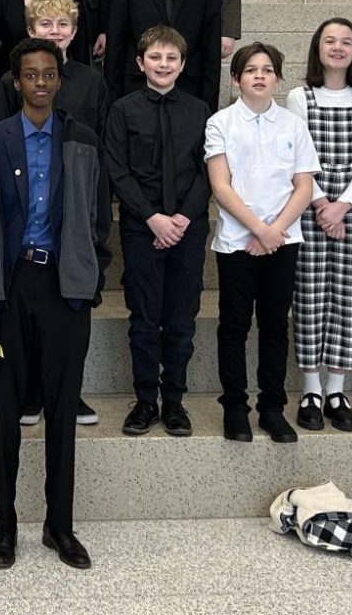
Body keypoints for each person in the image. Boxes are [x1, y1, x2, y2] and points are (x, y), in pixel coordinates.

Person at [0, 38, 110, 571]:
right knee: (6, 410)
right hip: (11, 290)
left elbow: (99, 218)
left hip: (65, 290)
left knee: (63, 411)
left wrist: (91, 276)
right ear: (16, 82)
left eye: (50, 74)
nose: (41, 83)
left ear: (60, 80)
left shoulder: (83, 139)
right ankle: (6, 526)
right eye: (31, 75)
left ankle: (59, 526)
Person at [205, 42, 320, 444]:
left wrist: (274, 232)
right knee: (234, 326)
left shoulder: (293, 125)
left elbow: (303, 186)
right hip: (237, 243)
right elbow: (221, 185)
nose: (259, 75)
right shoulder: (220, 122)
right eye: (250, 69)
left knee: (274, 325)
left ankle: (272, 408)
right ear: (235, 79)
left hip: (283, 240)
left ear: (278, 78)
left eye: (267, 69)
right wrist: (257, 229)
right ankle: (235, 407)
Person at [104, 26, 210, 437]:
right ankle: (146, 399)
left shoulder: (200, 111)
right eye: (155, 57)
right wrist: (152, 217)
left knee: (182, 316)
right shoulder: (123, 110)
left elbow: (210, 168)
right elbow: (118, 169)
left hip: (189, 227)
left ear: (182, 65)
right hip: (141, 226)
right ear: (140, 63)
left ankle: (176, 402)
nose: (163, 65)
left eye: (171, 59)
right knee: (145, 317)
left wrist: (182, 217)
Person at [286, 18, 352, 434]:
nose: (338, 48)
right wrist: (321, 201)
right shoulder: (299, 96)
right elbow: (298, 154)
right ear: (317, 48)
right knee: (308, 295)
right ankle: (310, 389)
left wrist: (342, 205)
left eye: (346, 42)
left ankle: (337, 391)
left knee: (346, 296)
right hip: (306, 200)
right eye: (330, 41)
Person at [0, 0, 107, 137]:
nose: (55, 31)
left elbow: (102, 136)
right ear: (31, 31)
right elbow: (2, 136)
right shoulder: (12, 80)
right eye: (46, 24)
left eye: (63, 24)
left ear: (74, 32)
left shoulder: (92, 80)